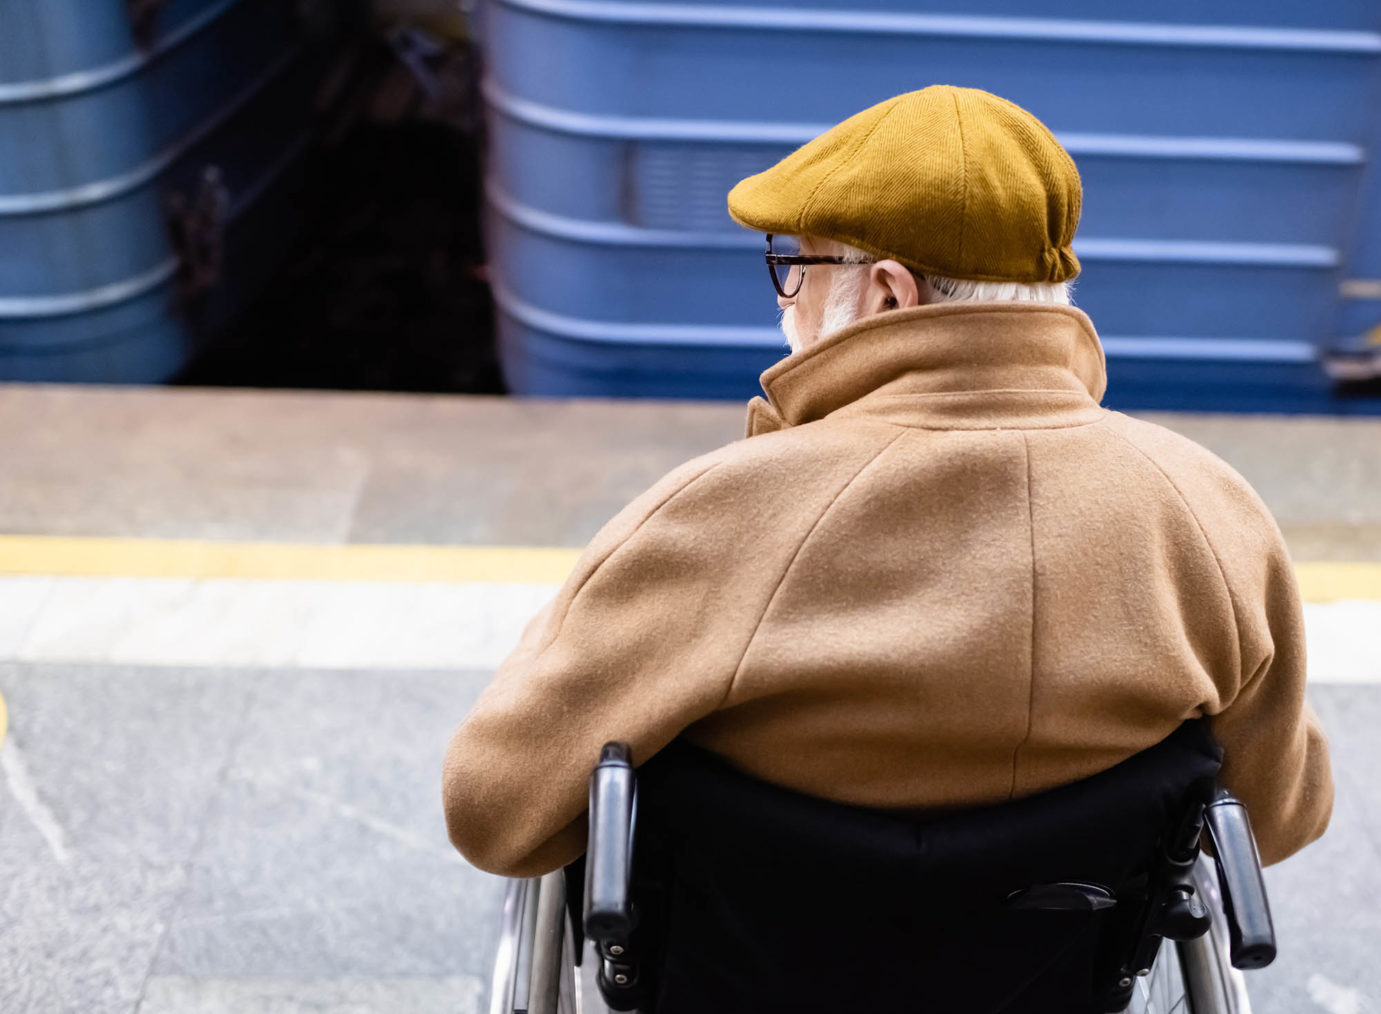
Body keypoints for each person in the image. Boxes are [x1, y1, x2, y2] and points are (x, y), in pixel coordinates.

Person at [443, 85, 1332, 879]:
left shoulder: (715, 513)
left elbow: (495, 817)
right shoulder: (1208, 511)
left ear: (887, 294)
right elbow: (1278, 819)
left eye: (794, 264)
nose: (782, 298)